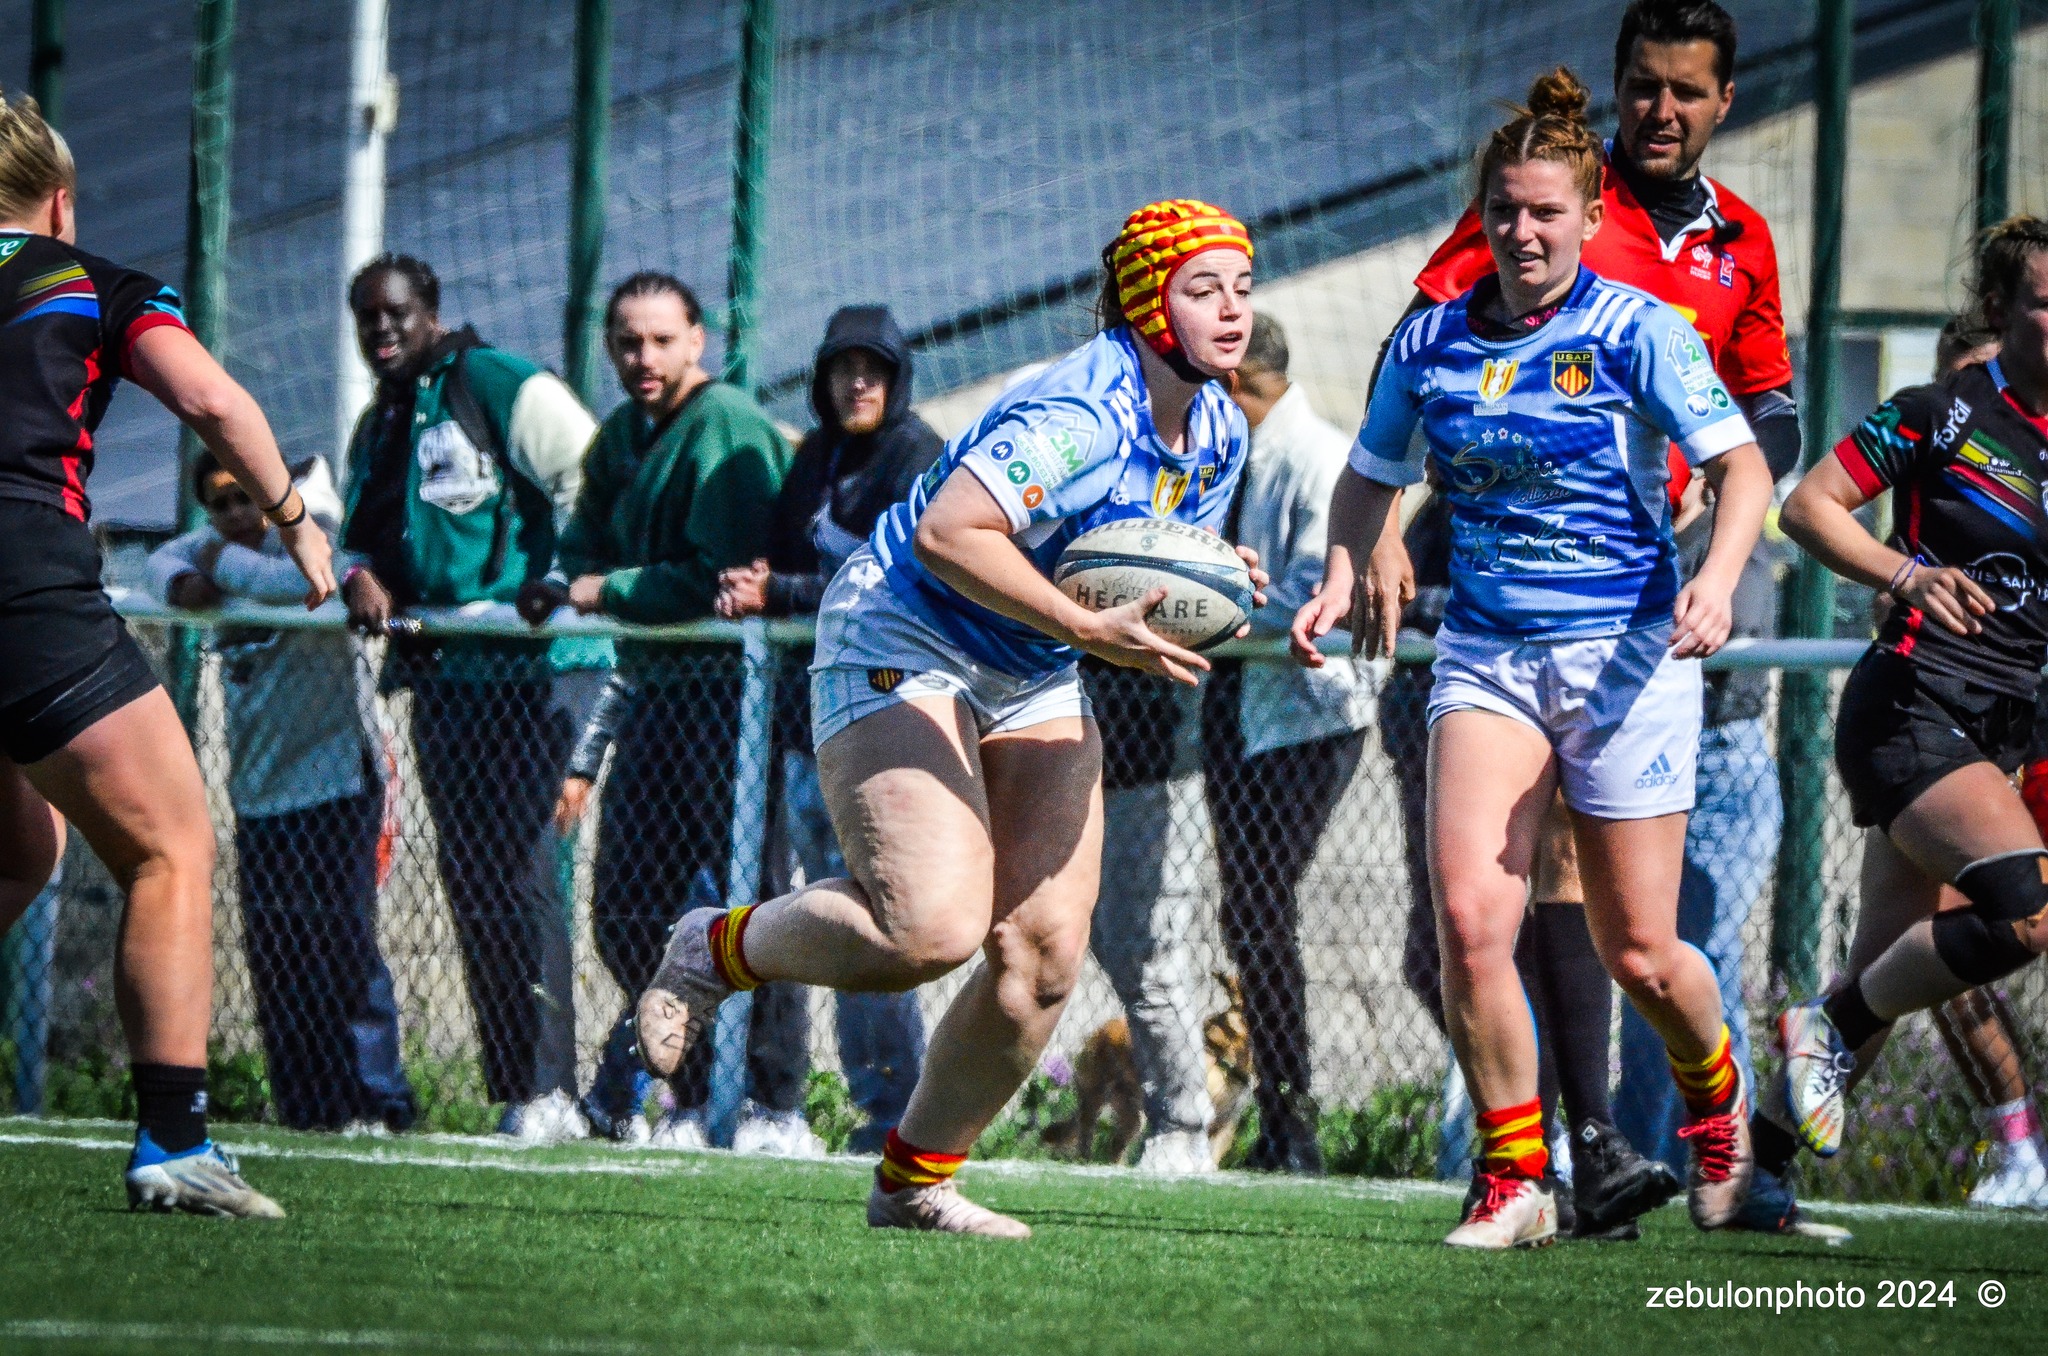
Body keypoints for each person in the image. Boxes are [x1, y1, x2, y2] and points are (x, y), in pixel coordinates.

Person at [636, 199, 1263, 1236]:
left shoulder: (1219, 430)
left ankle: (912, 1181)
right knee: (929, 926)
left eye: (1242, 287)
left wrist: (1213, 582)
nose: (1232, 311)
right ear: (1152, 304)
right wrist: (1077, 621)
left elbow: (1146, 558)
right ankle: (713, 947)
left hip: (1031, 661)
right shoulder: (1077, 415)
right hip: (901, 630)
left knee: (1042, 963)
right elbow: (945, 530)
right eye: (1203, 290)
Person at [1293, 70, 1774, 1249]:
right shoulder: (1430, 341)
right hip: (1488, 657)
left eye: (1545, 212)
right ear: (1484, 218)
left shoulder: (1637, 331)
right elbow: (1368, 474)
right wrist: (1344, 569)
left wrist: (1712, 582)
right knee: (1470, 924)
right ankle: (1515, 1182)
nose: (1521, 232)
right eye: (1504, 211)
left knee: (1641, 954)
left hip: (1625, 660)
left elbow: (1743, 467)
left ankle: (1716, 1110)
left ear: (1588, 216)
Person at [1397, 0, 1806, 1240]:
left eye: (1685, 92)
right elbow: (1416, 354)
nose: (1660, 112)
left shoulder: (1740, 241)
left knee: (1643, 943)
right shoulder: (1541, 196)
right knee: (1476, 913)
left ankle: (1690, 1135)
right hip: (1493, 602)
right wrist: (1366, 542)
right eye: (1643, 87)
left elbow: (1763, 423)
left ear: (1723, 100)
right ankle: (1536, 1169)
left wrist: (1710, 548)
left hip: (1652, 609)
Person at [0, 88, 333, 1215]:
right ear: (60, 201)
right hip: (24, 588)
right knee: (169, 844)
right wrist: (293, 516)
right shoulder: (87, 280)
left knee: (16, 854)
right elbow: (209, 396)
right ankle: (176, 1144)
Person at [1771, 218, 2048, 1189]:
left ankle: (1750, 1178)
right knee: (2022, 914)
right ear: (2002, 312)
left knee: (1887, 966)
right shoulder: (1938, 413)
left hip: (2000, 726)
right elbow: (1804, 506)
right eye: (2043, 301)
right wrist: (1904, 576)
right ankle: (1823, 1027)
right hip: (1911, 701)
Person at [533, 272, 802, 1150]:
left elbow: (714, 579)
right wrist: (566, 582)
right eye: (624, 341)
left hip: (734, 697)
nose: (640, 358)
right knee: (627, 910)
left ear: (698, 340)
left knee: (752, 906)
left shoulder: (723, 422)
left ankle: (772, 1104)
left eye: (658, 339)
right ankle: (686, 1093)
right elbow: (578, 548)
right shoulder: (620, 436)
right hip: (654, 691)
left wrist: (602, 586)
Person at [338, 253, 597, 1143]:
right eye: (366, 317)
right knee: (474, 881)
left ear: (433, 311)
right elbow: (355, 539)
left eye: (396, 313)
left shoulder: (497, 382)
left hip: (533, 673)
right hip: (444, 680)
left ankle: (557, 1091)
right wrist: (358, 574)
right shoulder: (380, 425)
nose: (382, 331)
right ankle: (516, 1090)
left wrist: (563, 580)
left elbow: (589, 474)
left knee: (528, 876)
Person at [714, 303, 941, 1155]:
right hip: (803, 726)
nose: (857, 383)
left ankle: (897, 1117)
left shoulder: (919, 456)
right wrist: (763, 583)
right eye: (843, 368)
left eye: (873, 368)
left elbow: (893, 582)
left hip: (882, 727)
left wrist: (781, 594)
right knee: (822, 919)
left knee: (879, 926)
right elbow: (786, 563)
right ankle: (844, 1109)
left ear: (897, 376)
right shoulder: (812, 457)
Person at [149, 453, 415, 1134]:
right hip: (260, 793)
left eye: (248, 497)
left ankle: (379, 1100)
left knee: (347, 945)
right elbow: (154, 566)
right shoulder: (201, 549)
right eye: (221, 502)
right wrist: (183, 574)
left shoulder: (303, 539)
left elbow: (297, 575)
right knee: (280, 956)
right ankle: (308, 1106)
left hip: (336, 781)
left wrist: (215, 561)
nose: (238, 513)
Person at [1210, 312, 1374, 1173]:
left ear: (1238, 382)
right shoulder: (1243, 452)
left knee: (1262, 911)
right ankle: (1283, 1121)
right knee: (1250, 916)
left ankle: (1294, 1124)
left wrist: (1207, 602)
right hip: (1246, 713)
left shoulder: (1314, 455)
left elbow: (1316, 596)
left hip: (1308, 718)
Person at [1917, 314, 2048, 1210]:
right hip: (1945, 724)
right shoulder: (1925, 457)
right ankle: (2018, 1153)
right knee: (1925, 947)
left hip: (2030, 726)